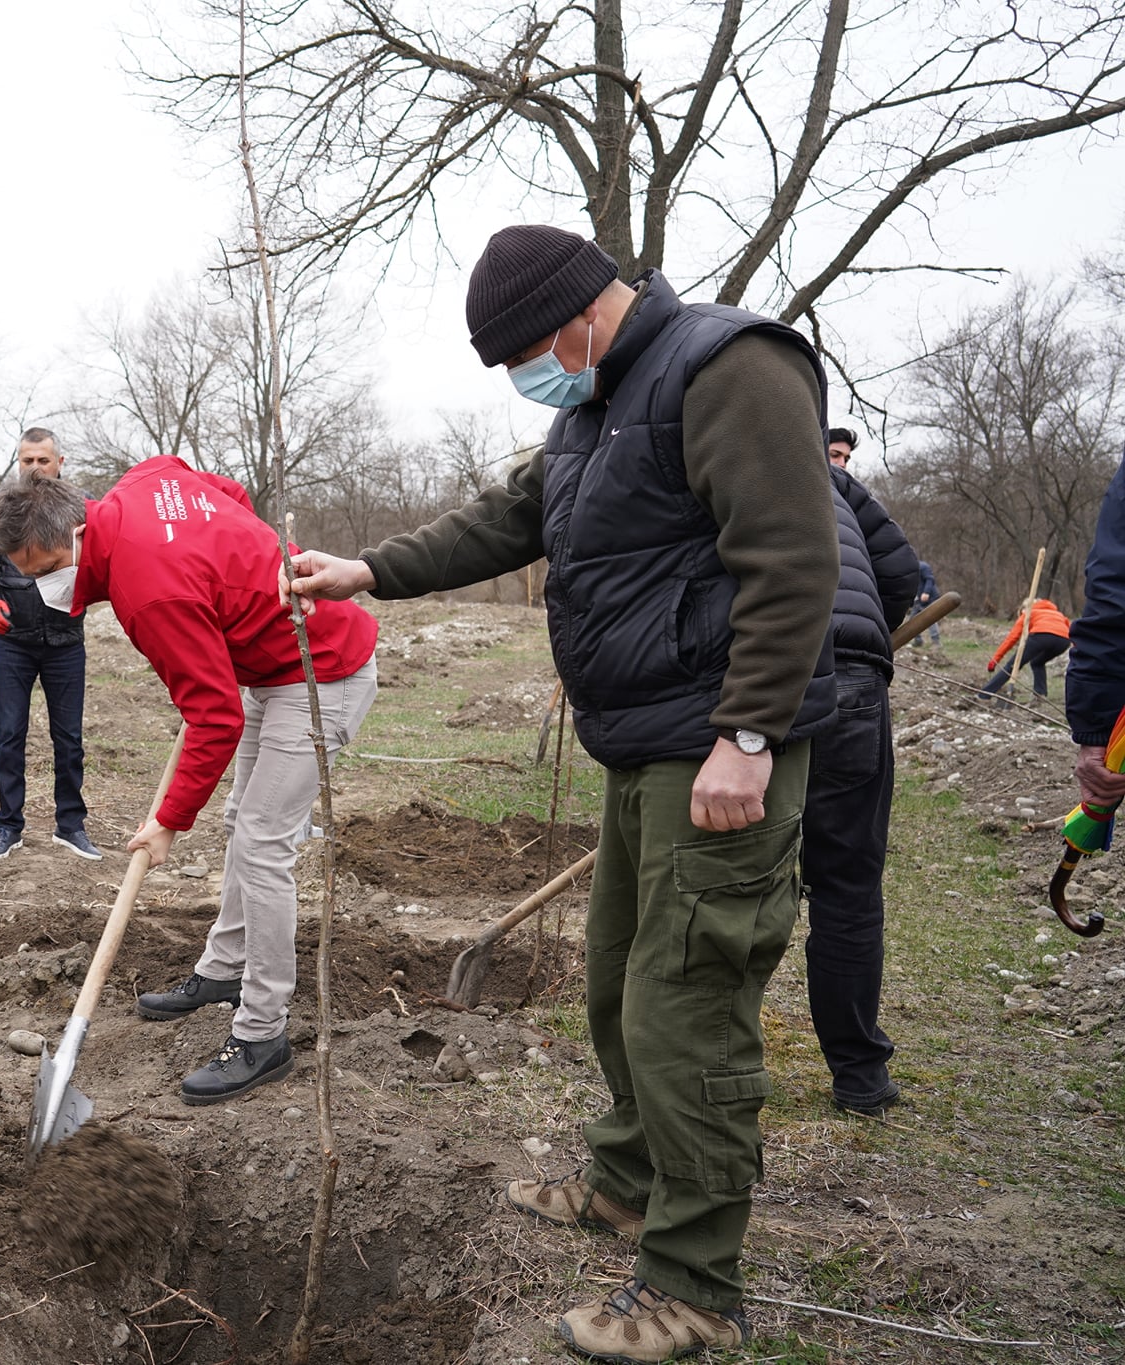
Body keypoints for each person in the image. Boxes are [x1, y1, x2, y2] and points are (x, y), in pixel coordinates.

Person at [286, 225, 838, 1363]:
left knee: (685, 1005)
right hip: (642, 746)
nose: (522, 379)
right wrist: (368, 570)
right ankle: (626, 1185)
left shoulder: (729, 367)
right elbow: (510, 519)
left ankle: (694, 1286)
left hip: (717, 745)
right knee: (616, 980)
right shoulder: (595, 404)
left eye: (523, 356)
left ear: (583, 313)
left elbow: (791, 560)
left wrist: (747, 735)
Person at [0, 462, 378, 1106]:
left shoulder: (149, 594)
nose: (45, 586)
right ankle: (223, 970)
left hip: (321, 668)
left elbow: (215, 716)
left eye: (48, 568)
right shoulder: (146, 479)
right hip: (267, 665)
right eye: (29, 575)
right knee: (240, 823)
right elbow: (229, 493)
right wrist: (239, 578)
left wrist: (168, 822)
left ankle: (262, 1035)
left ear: (77, 531)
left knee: (263, 844)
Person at [803, 467, 919, 1121]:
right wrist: (863, 632)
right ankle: (860, 1077)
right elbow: (899, 569)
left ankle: (717, 1066)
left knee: (732, 878)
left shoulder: (702, 439)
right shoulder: (833, 478)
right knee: (847, 886)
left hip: (750, 669)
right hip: (854, 677)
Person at [0, 428, 97, 861]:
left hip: (66, 640)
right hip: (11, 642)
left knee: (69, 738)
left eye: (43, 460)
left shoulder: (82, 504)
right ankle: (8, 826)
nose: (35, 468)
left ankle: (71, 826)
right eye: (27, 460)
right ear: (18, 462)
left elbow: (99, 560)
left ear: (59, 462)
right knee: (8, 735)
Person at [1067, 451, 1125, 809]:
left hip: (1046, 642)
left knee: (1035, 662)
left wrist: (1097, 728)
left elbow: (1116, 592)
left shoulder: (1039, 616)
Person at [979, 598, 1071, 700]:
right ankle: (1040, 694)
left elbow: (1011, 639)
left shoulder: (1029, 613)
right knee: (1037, 662)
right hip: (1064, 641)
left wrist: (994, 660)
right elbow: (1072, 631)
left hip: (1040, 636)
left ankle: (984, 695)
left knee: (1013, 665)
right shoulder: (1058, 614)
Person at [909, 559, 943, 649]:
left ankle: (936, 642)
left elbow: (930, 579)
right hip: (918, 600)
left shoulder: (923, 566)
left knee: (930, 619)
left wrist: (926, 592)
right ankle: (918, 641)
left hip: (929, 599)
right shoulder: (908, 571)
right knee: (912, 621)